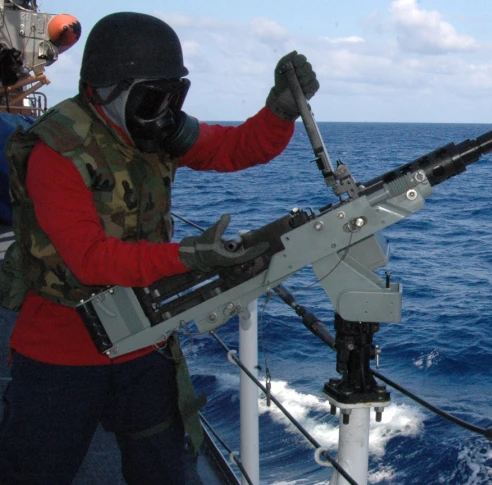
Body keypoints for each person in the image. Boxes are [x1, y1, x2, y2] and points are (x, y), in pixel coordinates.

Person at [0, 11, 318, 484]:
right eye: (154, 97)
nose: (166, 111)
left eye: (174, 96)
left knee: (165, 470)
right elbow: (90, 259)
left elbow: (234, 149)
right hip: (61, 351)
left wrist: (280, 111)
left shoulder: (151, 130)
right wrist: (188, 257)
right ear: (105, 91)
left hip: (144, 339)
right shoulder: (57, 150)